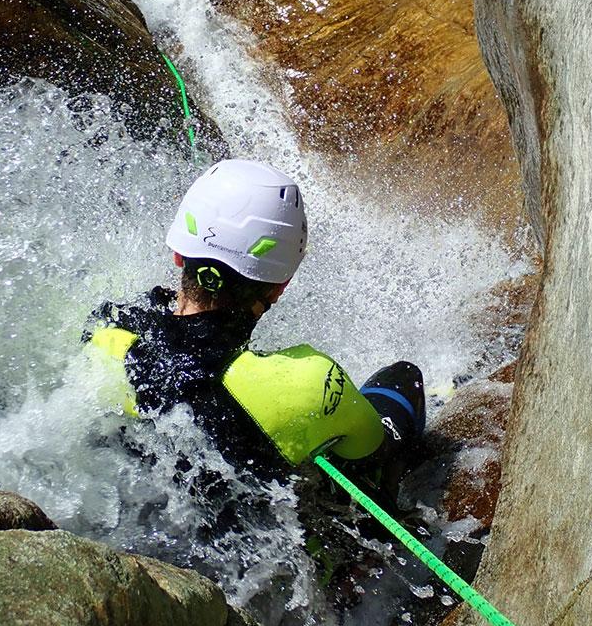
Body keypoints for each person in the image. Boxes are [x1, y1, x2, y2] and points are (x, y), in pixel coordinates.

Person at [83, 158, 426, 509]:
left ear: (177, 254)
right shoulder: (310, 381)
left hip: (126, 509)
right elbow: (369, 446)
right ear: (280, 287)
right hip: (259, 548)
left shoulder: (105, 334)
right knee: (403, 378)